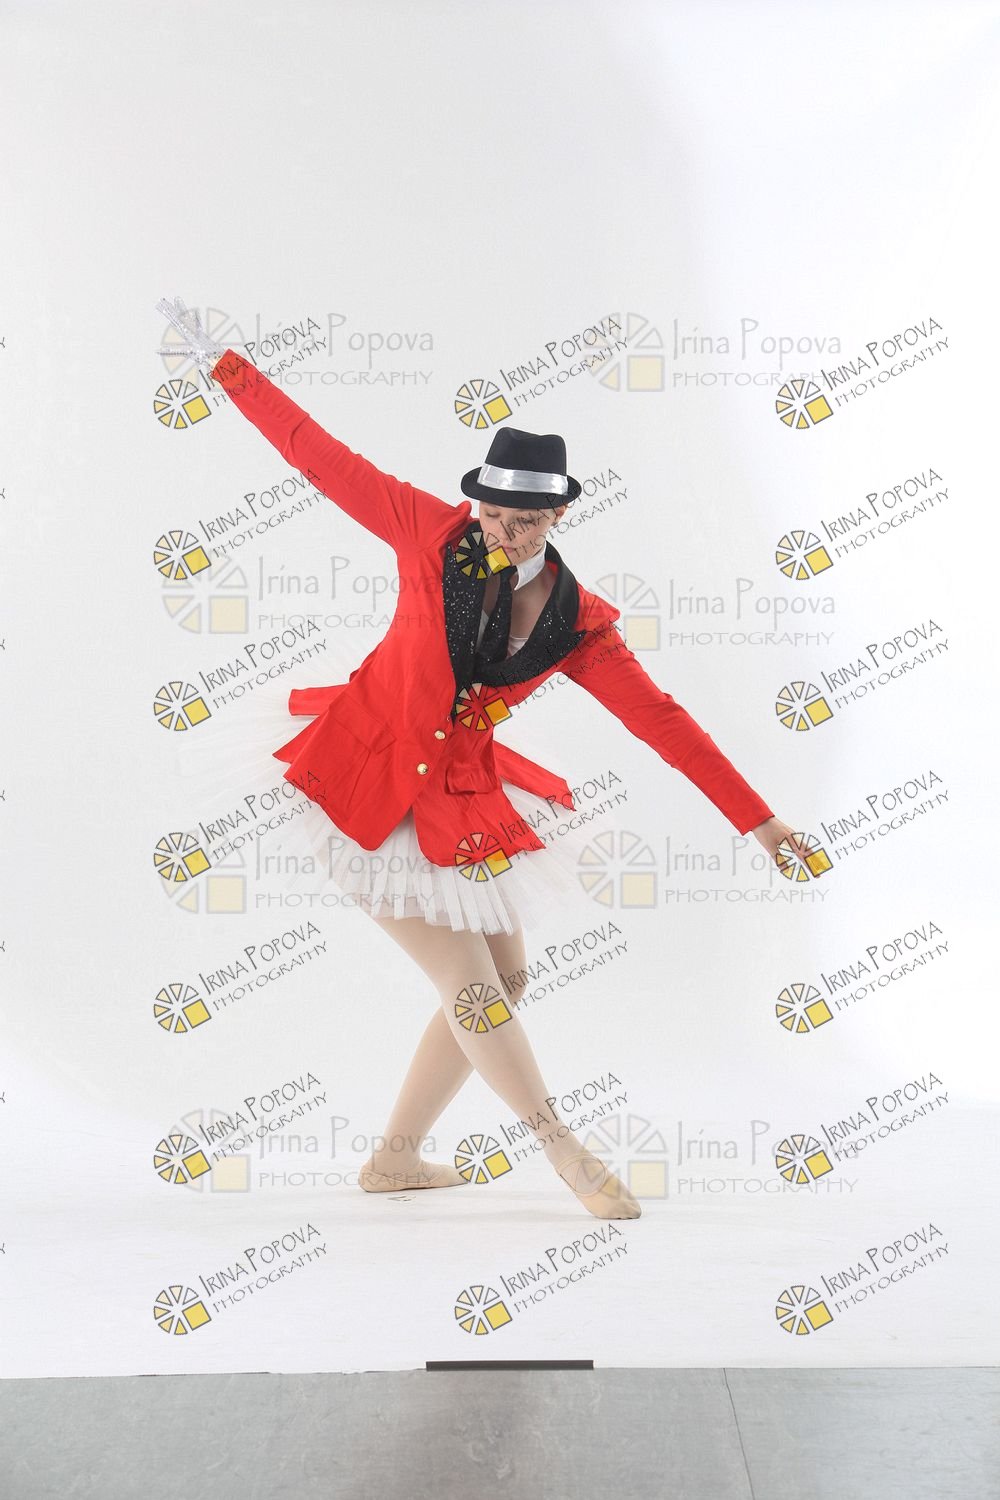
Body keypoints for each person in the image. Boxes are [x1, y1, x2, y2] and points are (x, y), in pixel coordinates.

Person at [156, 297, 809, 1221]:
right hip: (364, 778)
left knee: (506, 980)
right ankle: (563, 1147)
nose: (502, 533)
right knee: (469, 985)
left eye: (522, 523)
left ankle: (394, 1161)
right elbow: (319, 455)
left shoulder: (581, 625)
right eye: (492, 514)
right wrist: (229, 371)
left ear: (558, 515)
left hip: (459, 795)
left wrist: (761, 822)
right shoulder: (428, 532)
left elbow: (664, 723)